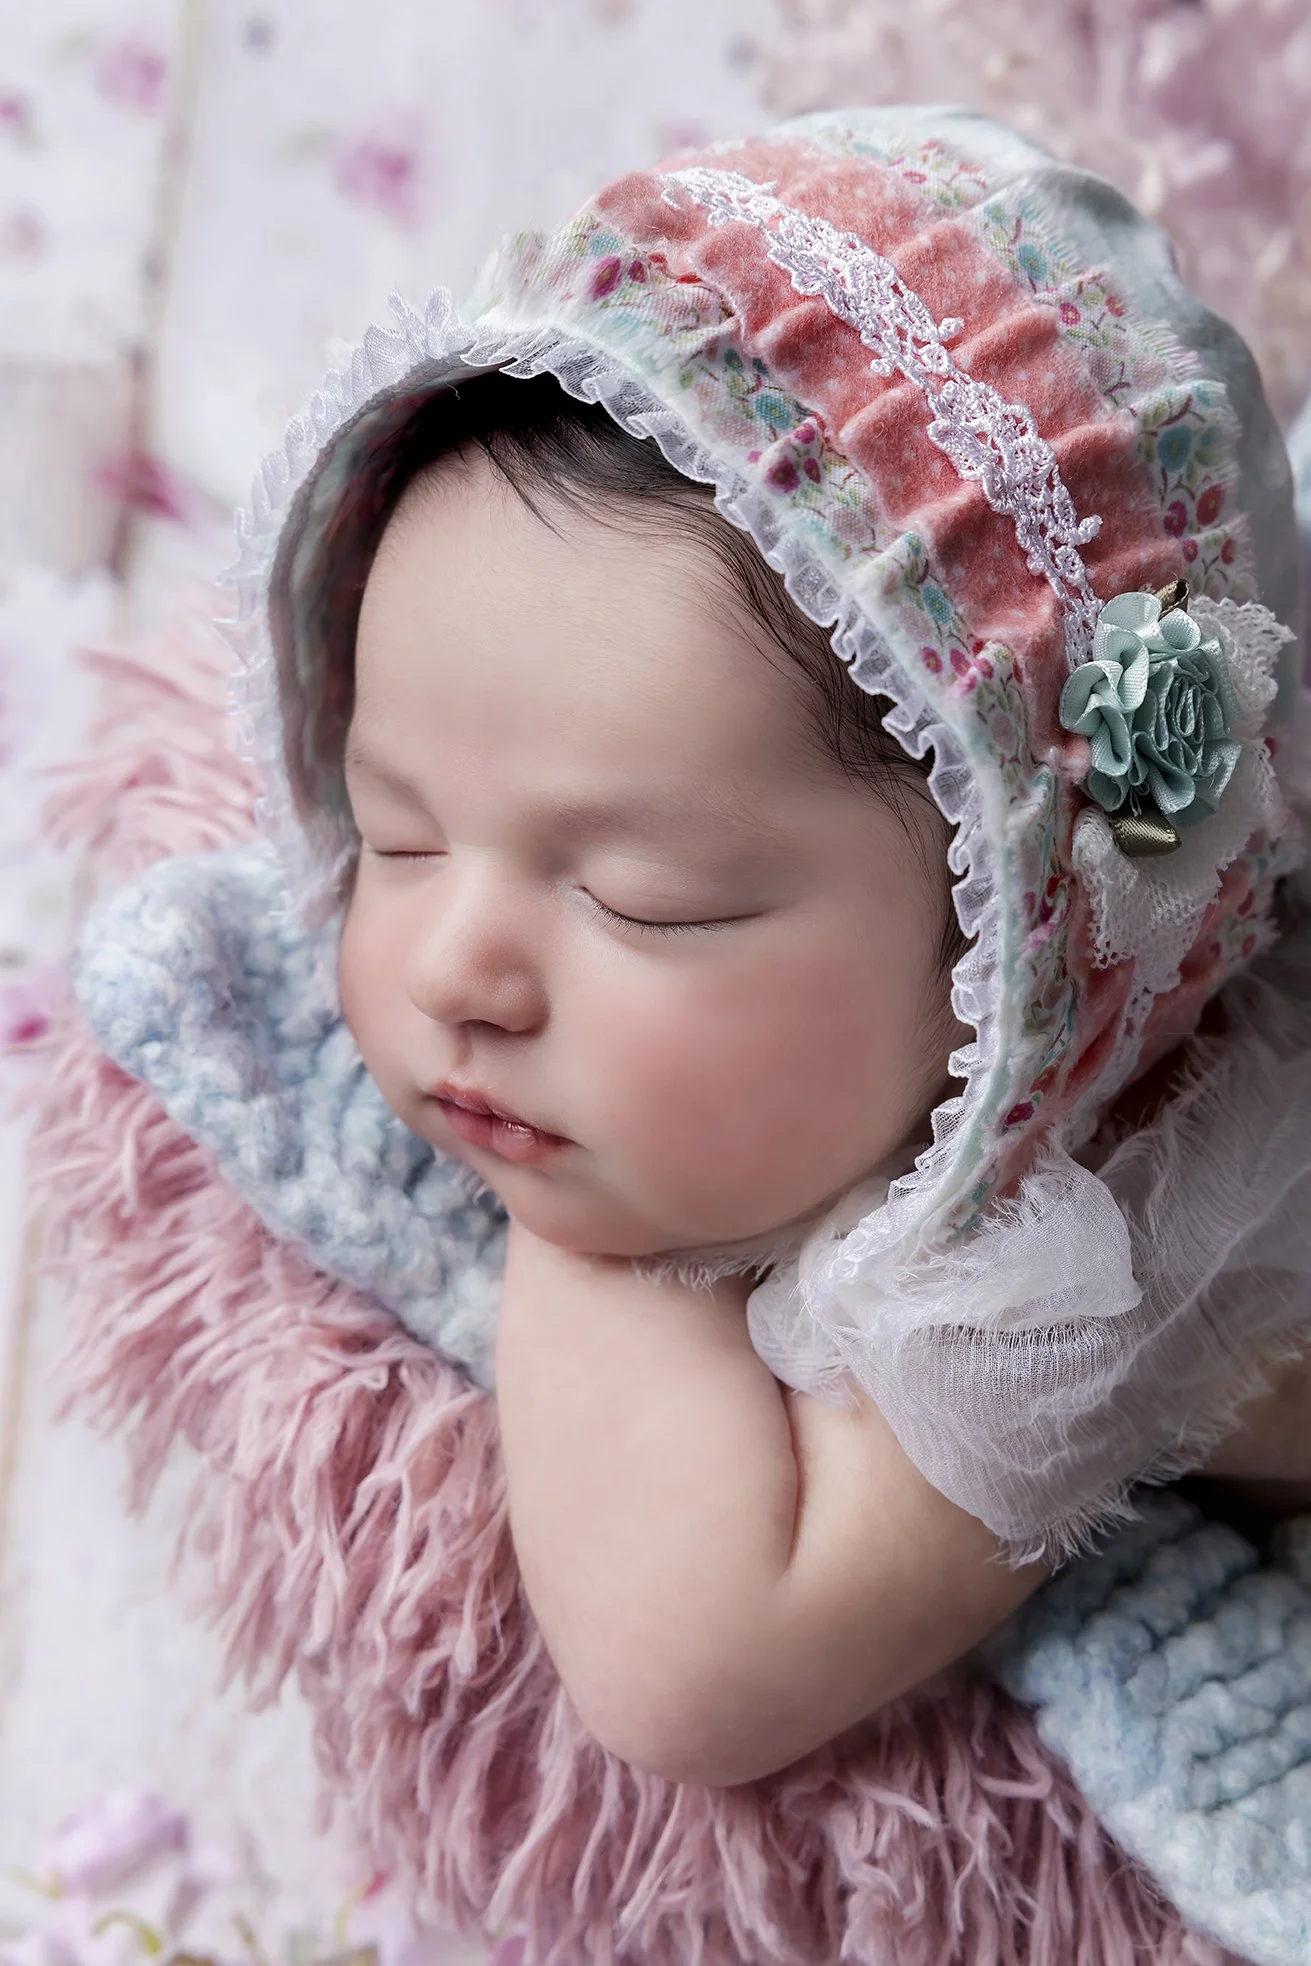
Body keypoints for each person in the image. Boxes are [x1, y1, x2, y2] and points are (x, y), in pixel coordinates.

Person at [86, 104, 1311, 1793]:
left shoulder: (1110, 1241)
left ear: (1014, 973)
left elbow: (686, 1666)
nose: (449, 970)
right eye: (395, 831)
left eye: (642, 902)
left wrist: (602, 1246)